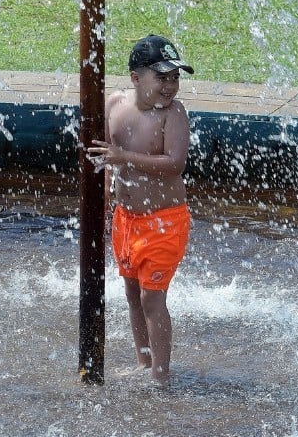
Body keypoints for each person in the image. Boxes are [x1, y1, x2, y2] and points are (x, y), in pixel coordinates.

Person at [86, 34, 194, 385]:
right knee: (133, 293)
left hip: (165, 220)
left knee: (152, 297)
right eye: (162, 77)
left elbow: (174, 163)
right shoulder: (114, 105)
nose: (170, 86)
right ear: (136, 78)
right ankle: (143, 364)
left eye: (175, 77)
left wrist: (125, 157)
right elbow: (103, 161)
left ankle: (161, 377)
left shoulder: (173, 114)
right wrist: (101, 208)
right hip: (126, 219)